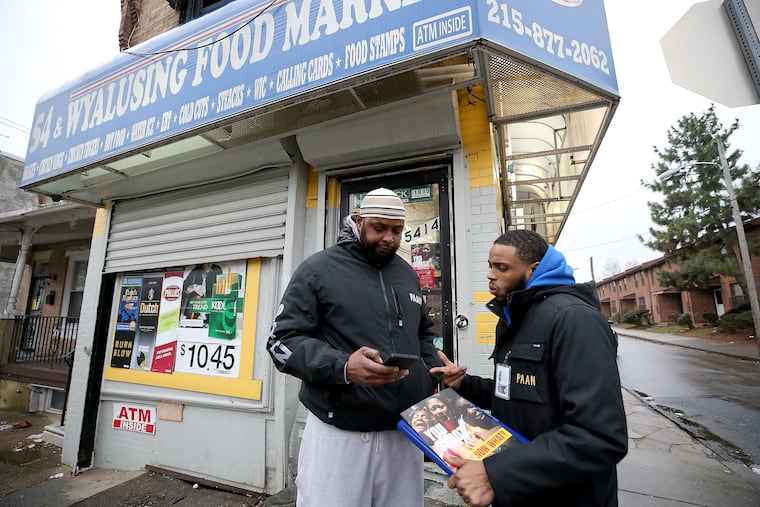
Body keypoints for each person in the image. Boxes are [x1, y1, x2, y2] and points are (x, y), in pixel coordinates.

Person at [267, 187, 442, 506]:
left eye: (397, 230)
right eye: (379, 228)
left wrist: (437, 372)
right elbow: (281, 342)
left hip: (404, 434)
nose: (389, 238)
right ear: (358, 221)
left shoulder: (406, 274)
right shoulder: (319, 269)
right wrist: (344, 367)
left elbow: (423, 337)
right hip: (340, 434)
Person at [431, 230, 627, 507]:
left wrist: (495, 473)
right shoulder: (514, 318)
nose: (490, 274)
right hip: (520, 492)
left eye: (502, 268)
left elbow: (599, 436)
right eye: (490, 265)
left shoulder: (574, 319)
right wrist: (464, 385)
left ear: (533, 269)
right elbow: (513, 393)